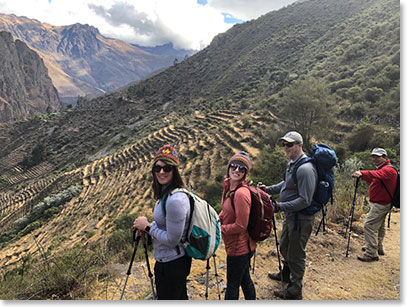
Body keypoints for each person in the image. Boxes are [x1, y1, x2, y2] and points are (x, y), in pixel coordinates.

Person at [258, 131, 317, 300]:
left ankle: (294, 290)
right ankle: (286, 274)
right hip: (291, 216)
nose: (285, 147)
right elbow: (287, 184)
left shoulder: (305, 169)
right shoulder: (292, 163)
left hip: (301, 219)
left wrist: (279, 206)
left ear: (300, 145)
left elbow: (305, 200)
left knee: (297, 254)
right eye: (284, 144)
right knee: (284, 246)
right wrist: (268, 189)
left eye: (289, 145)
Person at [133, 145, 192, 300]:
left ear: (175, 171)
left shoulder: (175, 200)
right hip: (172, 261)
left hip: (171, 263)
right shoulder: (167, 194)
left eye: (167, 168)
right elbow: (167, 225)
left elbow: (172, 240)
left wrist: (147, 226)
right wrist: (148, 228)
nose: (161, 172)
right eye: (157, 168)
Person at [219, 152, 256, 300]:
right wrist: (218, 218)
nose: (236, 170)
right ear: (228, 168)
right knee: (244, 280)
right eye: (234, 166)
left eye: (241, 168)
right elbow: (227, 210)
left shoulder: (241, 194)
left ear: (245, 173)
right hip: (238, 246)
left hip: (239, 249)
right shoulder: (230, 188)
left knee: (233, 286)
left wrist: (219, 229)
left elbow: (241, 225)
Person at [352, 147, 398, 262]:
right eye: (373, 156)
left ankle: (371, 253)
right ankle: (378, 247)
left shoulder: (388, 170)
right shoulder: (381, 169)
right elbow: (374, 178)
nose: (374, 159)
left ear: (385, 158)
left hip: (381, 204)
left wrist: (362, 172)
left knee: (369, 225)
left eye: (378, 157)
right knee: (379, 225)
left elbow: (378, 175)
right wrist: (363, 176)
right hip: (380, 203)